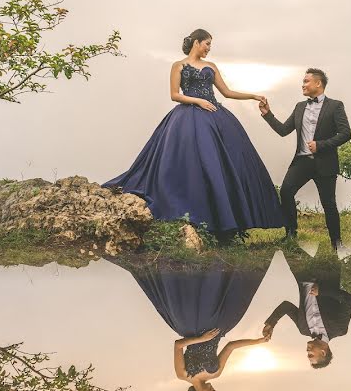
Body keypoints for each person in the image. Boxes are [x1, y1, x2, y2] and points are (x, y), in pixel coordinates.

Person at [104, 29, 284, 240]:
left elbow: (226, 92)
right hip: (187, 118)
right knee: (190, 162)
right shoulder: (178, 65)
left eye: (210, 45)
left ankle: (226, 219)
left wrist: (253, 95)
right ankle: (193, 209)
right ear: (196, 42)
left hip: (215, 117)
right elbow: (174, 95)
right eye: (207, 44)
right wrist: (198, 101)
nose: (209, 48)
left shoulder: (211, 66)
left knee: (226, 161)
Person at [109, 254, 273, 391]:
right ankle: (230, 257)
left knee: (197, 295)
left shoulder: (183, 374)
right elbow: (230, 347)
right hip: (219, 326)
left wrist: (201, 338)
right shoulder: (216, 374)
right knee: (235, 295)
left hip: (192, 327)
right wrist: (257, 341)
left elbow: (178, 345)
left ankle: (195, 261)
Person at [259, 69, 351, 249]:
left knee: (328, 203)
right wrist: (267, 114)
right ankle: (291, 234)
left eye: (306, 81)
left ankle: (337, 242)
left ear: (318, 83)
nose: (303, 84)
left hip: (325, 162)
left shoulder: (335, 106)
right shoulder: (299, 107)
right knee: (285, 192)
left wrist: (321, 144)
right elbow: (283, 130)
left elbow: (346, 133)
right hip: (302, 161)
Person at [262, 246, 351, 369]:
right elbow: (348, 300)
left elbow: (286, 306)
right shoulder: (340, 329)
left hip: (302, 274)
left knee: (287, 243)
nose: (307, 352)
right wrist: (321, 291)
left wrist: (271, 324)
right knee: (324, 235)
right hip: (327, 271)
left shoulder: (303, 329)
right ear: (323, 352)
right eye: (311, 355)